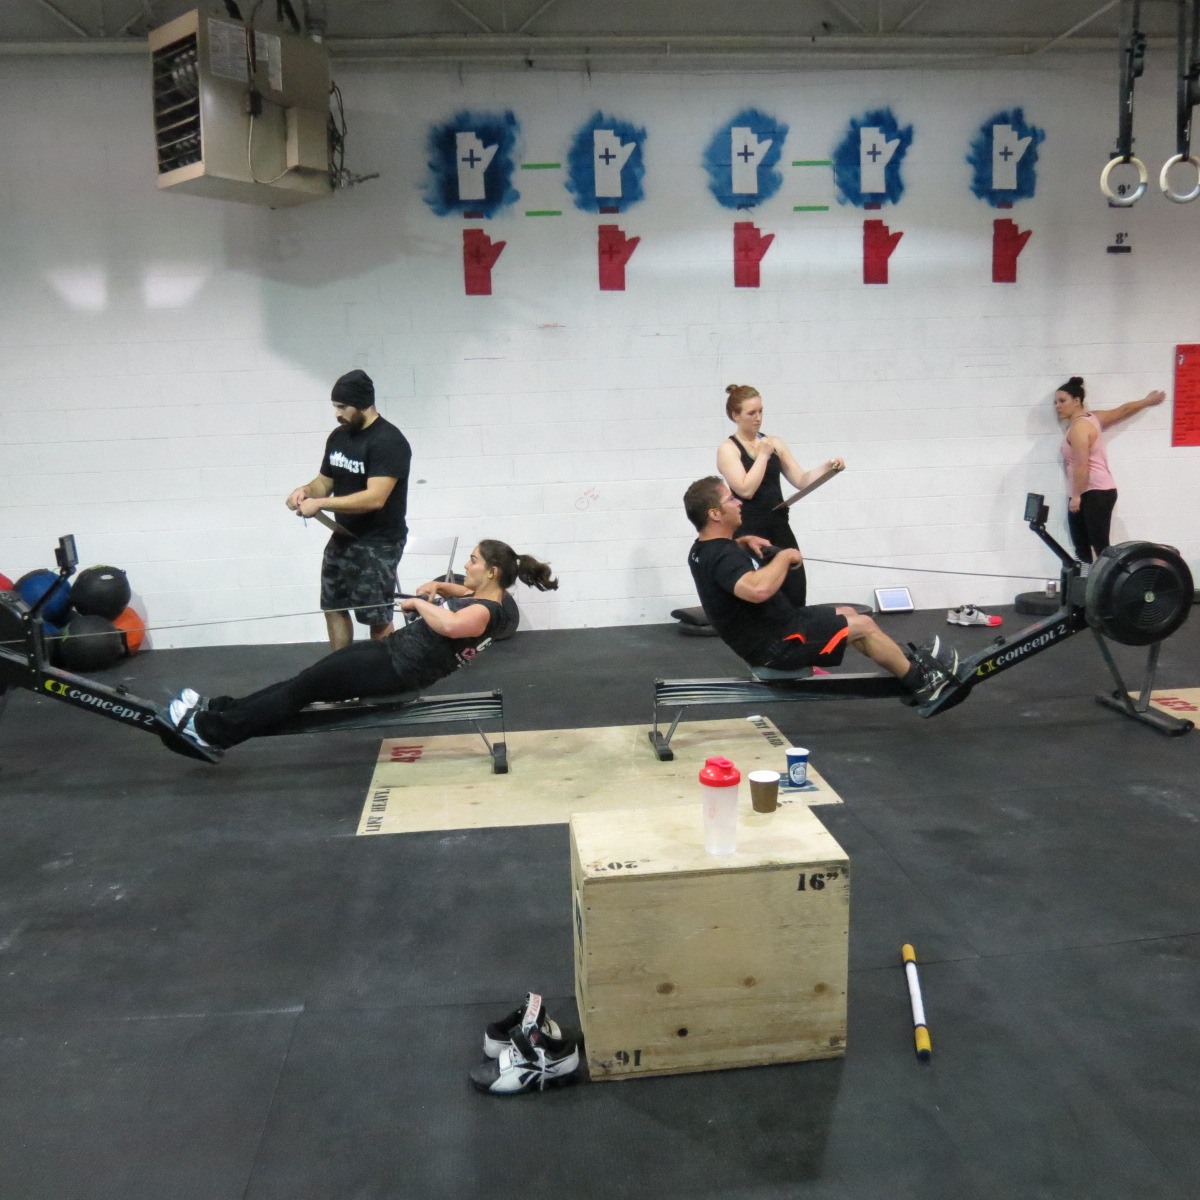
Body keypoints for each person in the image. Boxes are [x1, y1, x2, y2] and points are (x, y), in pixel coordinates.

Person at [167, 541, 556, 756]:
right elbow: (462, 593)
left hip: (394, 669)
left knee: (301, 689)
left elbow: (452, 624)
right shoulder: (495, 601)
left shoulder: (482, 613)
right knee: (303, 682)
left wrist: (418, 603)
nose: (467, 566)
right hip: (391, 657)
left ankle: (211, 732)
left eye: (473, 561)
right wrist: (439, 587)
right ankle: (222, 710)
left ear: (491, 572)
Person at [683, 476, 959, 707]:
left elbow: (722, 565)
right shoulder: (723, 556)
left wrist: (743, 542)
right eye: (731, 499)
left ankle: (908, 665)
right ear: (715, 514)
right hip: (777, 645)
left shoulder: (702, 549)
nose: (739, 502)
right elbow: (759, 589)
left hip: (776, 627)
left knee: (847, 613)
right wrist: (784, 556)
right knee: (864, 626)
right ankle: (924, 683)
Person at [286, 369, 412, 649]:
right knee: (334, 606)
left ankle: (385, 672)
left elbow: (375, 498)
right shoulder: (338, 437)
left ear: (362, 403)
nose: (337, 414)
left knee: (376, 617)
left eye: (342, 407)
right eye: (335, 406)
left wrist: (321, 503)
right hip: (343, 536)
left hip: (379, 542)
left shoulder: (389, 441)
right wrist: (305, 491)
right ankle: (340, 668)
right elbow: (324, 482)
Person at [716, 384, 844, 608]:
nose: (758, 418)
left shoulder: (774, 443)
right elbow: (746, 490)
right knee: (768, 589)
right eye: (751, 413)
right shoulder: (728, 449)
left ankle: (797, 625)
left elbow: (801, 480)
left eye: (761, 411)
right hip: (749, 529)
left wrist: (828, 467)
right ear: (736, 415)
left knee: (795, 585)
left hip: (778, 524)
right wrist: (762, 456)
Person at [1053, 376, 1165, 563]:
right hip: (1091, 491)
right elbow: (1122, 410)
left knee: (1099, 546)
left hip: (1094, 491)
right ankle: (1088, 578)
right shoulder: (1092, 418)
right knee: (1082, 544)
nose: (1057, 406)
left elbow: (1082, 464)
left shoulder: (1079, 428)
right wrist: (1146, 401)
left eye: (1062, 401)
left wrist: (1076, 496)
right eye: (1055, 402)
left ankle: (1110, 579)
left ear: (1077, 401)